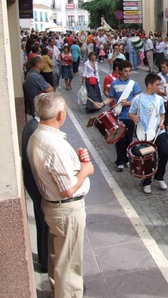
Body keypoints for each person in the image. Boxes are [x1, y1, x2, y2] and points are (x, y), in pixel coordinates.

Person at [27, 92, 94, 298]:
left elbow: (57, 171)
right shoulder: (53, 145)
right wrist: (85, 170)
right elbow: (67, 189)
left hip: (54, 207)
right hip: (66, 209)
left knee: (59, 255)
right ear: (60, 115)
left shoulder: (38, 134)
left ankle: (58, 289)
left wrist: (75, 161)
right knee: (70, 264)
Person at [96, 60, 142, 172]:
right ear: (120, 71)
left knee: (128, 139)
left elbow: (139, 99)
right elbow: (111, 98)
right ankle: (120, 161)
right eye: (125, 71)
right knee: (119, 139)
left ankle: (127, 158)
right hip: (118, 115)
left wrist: (128, 103)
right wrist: (102, 103)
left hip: (130, 116)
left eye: (129, 71)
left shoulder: (133, 84)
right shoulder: (114, 84)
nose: (128, 73)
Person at [129, 73, 168, 194]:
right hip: (145, 133)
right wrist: (133, 118)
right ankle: (146, 181)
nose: (159, 87)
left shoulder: (159, 99)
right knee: (148, 157)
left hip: (158, 131)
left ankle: (159, 176)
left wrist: (162, 122)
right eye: (157, 85)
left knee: (164, 152)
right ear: (149, 85)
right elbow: (131, 113)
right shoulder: (138, 99)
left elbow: (162, 114)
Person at [21, 115, 49, 273]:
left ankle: (43, 258)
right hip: (37, 183)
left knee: (41, 220)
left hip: (32, 181)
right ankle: (46, 262)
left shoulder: (31, 124)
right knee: (45, 222)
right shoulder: (35, 130)